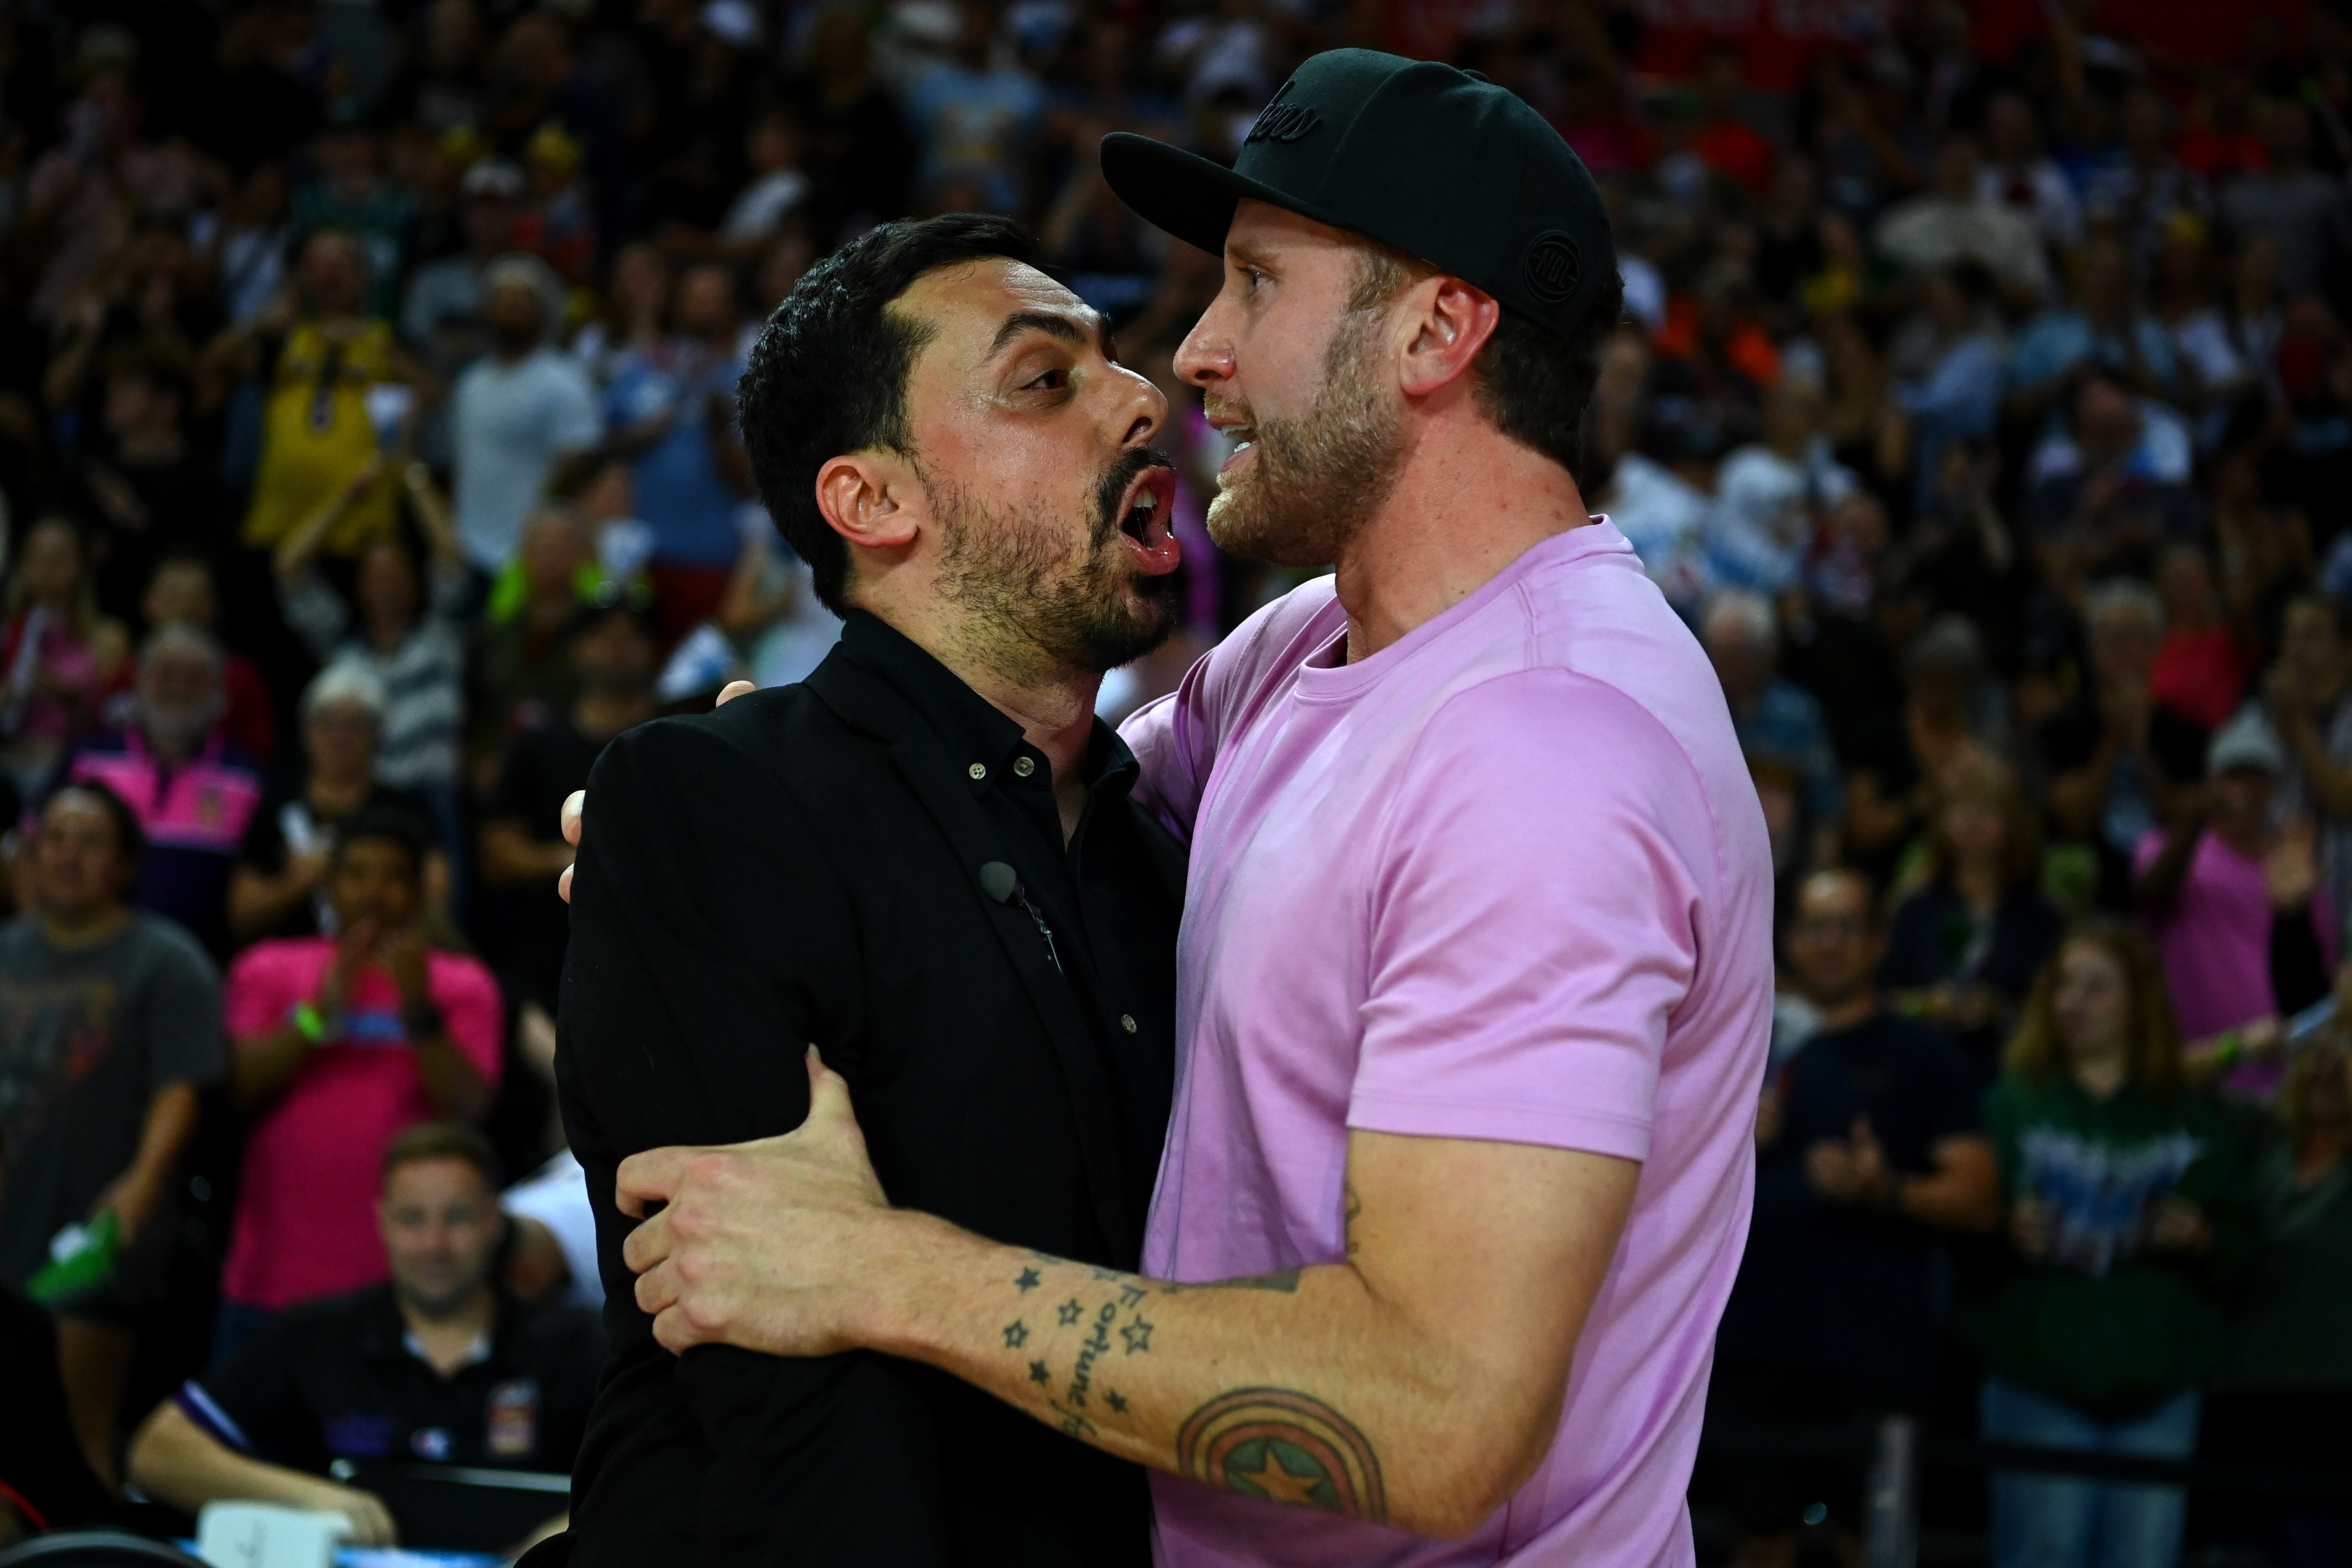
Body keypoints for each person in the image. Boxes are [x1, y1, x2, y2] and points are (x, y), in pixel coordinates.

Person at [594, 51, 1771, 1568]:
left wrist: (881, 1271)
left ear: (1434, 330)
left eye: (1256, 283)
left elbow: (1435, 1420)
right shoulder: (1303, 652)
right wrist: (725, 801)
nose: (1191, 358)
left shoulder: (1545, 750)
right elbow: (1007, 774)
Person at [544, 212, 1190, 1567]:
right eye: (1044, 378)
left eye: (1115, 360)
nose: (1143, 398)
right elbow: (784, 1393)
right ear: (873, 502)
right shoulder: (707, 797)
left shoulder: (1158, 858)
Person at [127, 1121, 601, 1549]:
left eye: (457, 1217)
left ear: (495, 1221)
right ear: (383, 1221)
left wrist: (571, 1530)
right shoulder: (316, 1336)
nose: (434, 1243)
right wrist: (310, 1499)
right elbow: (156, 1452)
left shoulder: (576, 1342)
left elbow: (645, 1466)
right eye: (412, 1218)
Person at [1713, 869, 1996, 1563]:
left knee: (1868, 1545)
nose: (1830, 941)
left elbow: (1981, 1198)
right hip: (1751, 1346)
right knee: (1757, 1544)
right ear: (1788, 939)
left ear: (1877, 942)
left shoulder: (1922, 1054)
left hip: (1874, 1352)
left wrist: (1886, 1189)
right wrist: (1724, 1138)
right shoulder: (1738, 1045)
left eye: (1847, 925)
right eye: (1815, 925)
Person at [1976, 922, 2249, 1568]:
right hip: (2039, 1377)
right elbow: (1961, 1241)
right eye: (2063, 985)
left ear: (2137, 999)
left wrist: (2202, 1237)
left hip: (2157, 1387)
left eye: (2095, 986)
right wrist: (2003, 1234)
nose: (2072, 1001)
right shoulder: (2012, 1103)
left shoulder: (2190, 1114)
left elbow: (2246, 1252)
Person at [0, 783, 224, 1490]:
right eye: (55, 840)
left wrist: (143, 1180)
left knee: (75, 1430)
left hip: (94, 1224)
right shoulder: (6, 948)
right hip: (9, 1210)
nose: (69, 856)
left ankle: (91, 1540)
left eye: (91, 841)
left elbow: (180, 1087)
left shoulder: (166, 959)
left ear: (126, 864)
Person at [216, 805, 501, 1356]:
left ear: (420, 891)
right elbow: (239, 1087)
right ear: (329, 884)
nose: (374, 892)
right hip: (270, 1283)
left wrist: (418, 1009)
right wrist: (317, 1016)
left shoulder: (462, 983)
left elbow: (470, 1105)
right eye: (357, 874)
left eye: (394, 876)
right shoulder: (268, 966)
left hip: (408, 1287)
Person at [2205, 1022, 2352, 1568]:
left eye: (2343, 1058)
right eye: (2315, 1056)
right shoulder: (2264, 1141)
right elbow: (2166, 1081)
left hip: (2332, 1410)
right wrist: (2236, 1047)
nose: (2326, 1070)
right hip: (2244, 1399)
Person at [2135, 712, 2335, 1093]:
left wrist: (2292, 911)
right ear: (2211, 780)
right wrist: (2195, 821)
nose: (2242, 789)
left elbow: (2318, 988)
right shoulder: (2165, 848)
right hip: (2195, 1070)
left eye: (2256, 776)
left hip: (2278, 1080)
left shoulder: (2294, 864)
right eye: (2231, 775)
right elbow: (2151, 895)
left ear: (2273, 787)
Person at [478, 598, 657, 1016]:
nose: (619, 647)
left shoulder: (676, 745)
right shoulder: (538, 746)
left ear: (653, 651)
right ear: (578, 650)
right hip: (550, 960)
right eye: (604, 635)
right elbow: (497, 854)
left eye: (633, 637)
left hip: (652, 960)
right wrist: (574, 859)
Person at [53, 624, 266, 959]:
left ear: (219, 693)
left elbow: (254, 884)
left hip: (203, 963)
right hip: (86, 957)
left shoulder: (247, 775)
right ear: (139, 681)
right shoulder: (88, 757)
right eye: (166, 674)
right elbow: (31, 849)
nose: (179, 687)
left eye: (195, 677)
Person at [228, 665, 447, 946]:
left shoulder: (405, 808)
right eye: (327, 724)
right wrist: (299, 883)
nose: (340, 737)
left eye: (355, 726)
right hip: (290, 955)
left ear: (378, 735)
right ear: (307, 732)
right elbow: (241, 913)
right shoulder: (277, 804)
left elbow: (435, 902)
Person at [1882, 753, 2066, 1079]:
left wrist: (1998, 1010)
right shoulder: (1914, 909)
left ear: (2013, 823)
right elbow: (1883, 998)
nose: (1972, 822)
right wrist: (1924, 1005)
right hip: (1923, 1070)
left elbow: (2058, 1006)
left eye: (1986, 810)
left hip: (2015, 1072)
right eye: (1959, 810)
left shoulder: (2042, 915)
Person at [598, 262, 754, 643]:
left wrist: (718, 430)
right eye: (693, 298)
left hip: (708, 557)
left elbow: (751, 484)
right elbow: (597, 449)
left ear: (730, 311)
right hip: (635, 555)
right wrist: (640, 436)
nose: (701, 309)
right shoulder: (640, 371)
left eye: (713, 300)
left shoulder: (746, 382)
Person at [448, 255, 600, 574]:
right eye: (501, 304)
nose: (509, 313)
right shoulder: (472, 382)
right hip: (468, 547)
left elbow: (578, 465)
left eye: (519, 304)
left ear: (541, 311)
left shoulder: (563, 380)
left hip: (530, 556)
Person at [0, 518, 130, 800]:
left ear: (81, 565)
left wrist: (65, 695)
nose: (47, 567)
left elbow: (112, 722)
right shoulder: (9, 631)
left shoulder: (106, 638)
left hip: (70, 764)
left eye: (59, 557)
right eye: (37, 556)